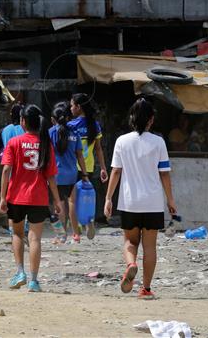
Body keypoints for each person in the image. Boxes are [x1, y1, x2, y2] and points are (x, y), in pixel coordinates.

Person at [104, 98, 177, 300]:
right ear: (151, 120)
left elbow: (116, 172)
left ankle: (131, 264)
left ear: (131, 118)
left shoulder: (122, 141)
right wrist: (171, 200)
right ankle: (145, 289)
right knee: (150, 246)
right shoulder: (158, 142)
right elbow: (164, 174)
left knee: (130, 240)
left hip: (129, 202)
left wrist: (108, 198)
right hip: (152, 202)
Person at [0, 105, 62, 293]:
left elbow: (6, 170)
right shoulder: (45, 144)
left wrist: (2, 197)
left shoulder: (14, 142)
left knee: (17, 234)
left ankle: (20, 272)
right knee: (35, 239)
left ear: (23, 122)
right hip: (38, 197)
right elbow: (51, 176)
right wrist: (57, 201)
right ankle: (34, 281)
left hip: (16, 196)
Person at [67, 93, 108, 242]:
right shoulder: (94, 125)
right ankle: (88, 220)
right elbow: (98, 149)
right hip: (88, 167)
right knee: (85, 198)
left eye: (72, 105)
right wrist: (103, 168)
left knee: (72, 200)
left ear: (78, 107)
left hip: (73, 167)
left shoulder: (71, 125)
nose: (70, 108)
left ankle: (76, 233)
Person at [49, 102, 83, 243]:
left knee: (59, 204)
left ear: (53, 120)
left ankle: (61, 236)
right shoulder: (75, 133)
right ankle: (76, 234)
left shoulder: (50, 133)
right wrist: (85, 174)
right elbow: (80, 155)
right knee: (72, 203)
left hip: (56, 175)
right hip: (72, 174)